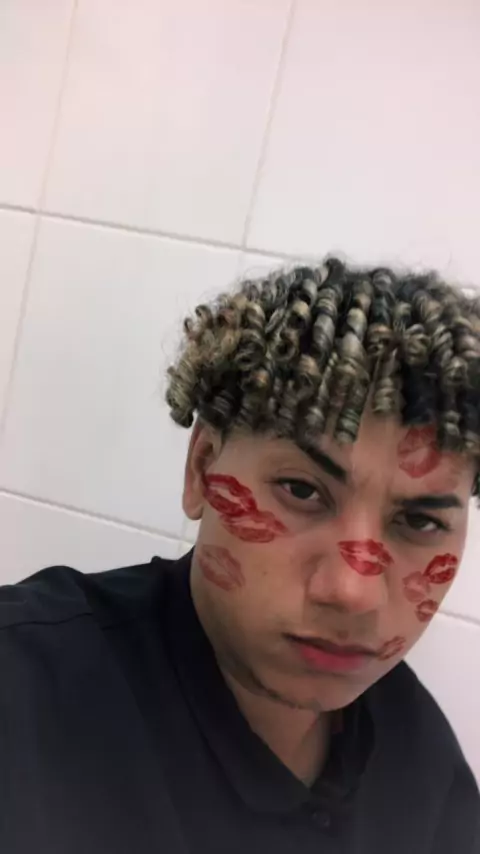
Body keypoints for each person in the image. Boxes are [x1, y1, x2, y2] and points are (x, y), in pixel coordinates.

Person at [1, 259, 479, 853]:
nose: (352, 590)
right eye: (301, 490)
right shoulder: (24, 694)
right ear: (202, 468)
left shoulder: (421, 758)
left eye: (420, 521)